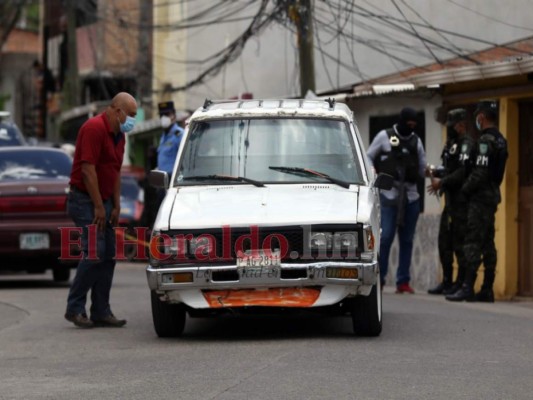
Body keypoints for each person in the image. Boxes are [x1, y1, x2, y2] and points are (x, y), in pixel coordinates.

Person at [65, 92, 138, 328]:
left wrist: (115, 205)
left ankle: (100, 310)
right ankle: (74, 308)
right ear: (118, 112)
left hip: (103, 201)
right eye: (131, 115)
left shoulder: (120, 136)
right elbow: (88, 171)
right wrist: (98, 206)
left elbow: (114, 171)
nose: (132, 121)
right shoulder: (93, 129)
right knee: (95, 251)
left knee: (109, 256)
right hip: (84, 199)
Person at [446, 101, 508, 302]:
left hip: (479, 198)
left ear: (481, 117)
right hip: (491, 196)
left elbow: (480, 172)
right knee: (488, 241)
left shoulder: (485, 141)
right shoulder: (501, 140)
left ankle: (467, 287)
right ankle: (487, 288)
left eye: (477, 116)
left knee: (472, 241)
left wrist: (465, 190)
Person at [367, 107, 427, 293]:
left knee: (407, 240)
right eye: (408, 124)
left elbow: (422, 168)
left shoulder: (416, 141)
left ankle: (403, 282)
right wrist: (373, 173)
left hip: (410, 197)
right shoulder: (384, 137)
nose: (411, 127)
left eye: (413, 125)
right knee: (385, 238)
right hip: (389, 196)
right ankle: (380, 278)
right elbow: (369, 157)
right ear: (402, 121)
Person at [427, 109, 474, 295]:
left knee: (459, 244)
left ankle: (460, 282)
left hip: (461, 202)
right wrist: (434, 173)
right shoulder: (451, 144)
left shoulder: (467, 144)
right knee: (444, 242)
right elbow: (448, 168)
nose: (449, 130)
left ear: (461, 125)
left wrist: (442, 182)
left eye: (452, 126)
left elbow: (462, 172)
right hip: (450, 202)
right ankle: (447, 281)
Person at [157, 101, 184, 178]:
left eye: (166, 114)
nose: (163, 118)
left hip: (173, 179)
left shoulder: (179, 134)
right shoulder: (163, 136)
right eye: (161, 115)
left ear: (174, 116)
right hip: (162, 180)